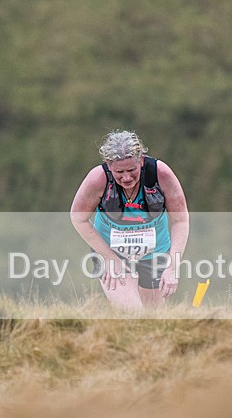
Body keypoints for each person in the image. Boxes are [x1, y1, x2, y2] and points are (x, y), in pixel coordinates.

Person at [70, 130, 190, 309]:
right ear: (108, 165)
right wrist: (109, 257)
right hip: (111, 252)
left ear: (141, 160)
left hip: (155, 253)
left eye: (132, 170)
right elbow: (77, 218)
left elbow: (181, 221)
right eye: (119, 171)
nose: (126, 177)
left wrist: (172, 267)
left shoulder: (160, 174)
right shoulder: (97, 179)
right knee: (133, 314)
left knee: (154, 318)